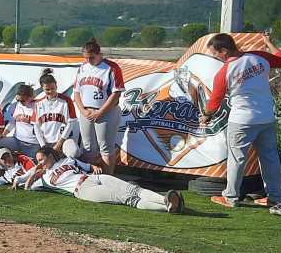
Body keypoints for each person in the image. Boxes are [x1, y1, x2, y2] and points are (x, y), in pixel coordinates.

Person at [198, 32, 281, 208]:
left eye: (215, 53)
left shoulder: (224, 72)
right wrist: (268, 43)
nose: (215, 57)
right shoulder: (259, 56)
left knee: (237, 159)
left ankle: (231, 197)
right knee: (270, 158)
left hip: (241, 121)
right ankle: (275, 197)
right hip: (266, 118)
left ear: (224, 50)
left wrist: (206, 116)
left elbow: (214, 101)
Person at [22, 145, 183, 214]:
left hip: (93, 178)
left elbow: (87, 167)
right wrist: (34, 173)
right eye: (38, 160)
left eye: (41, 159)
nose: (39, 162)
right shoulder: (45, 179)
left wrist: (94, 167)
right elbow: (28, 188)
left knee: (132, 189)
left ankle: (165, 199)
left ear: (50, 156)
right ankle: (167, 207)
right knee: (126, 198)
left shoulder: (67, 160)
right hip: (83, 190)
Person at [73, 38, 125, 175]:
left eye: (91, 57)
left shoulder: (111, 68)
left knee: (105, 147)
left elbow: (116, 94)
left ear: (99, 54)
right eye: (85, 57)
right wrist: (82, 110)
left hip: (106, 112)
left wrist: (100, 112)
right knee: (88, 147)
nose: (88, 60)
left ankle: (108, 178)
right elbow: (77, 92)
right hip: (86, 111)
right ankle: (92, 176)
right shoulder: (82, 68)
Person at [0, 84, 39, 158]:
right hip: (16, 140)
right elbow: (12, 122)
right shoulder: (17, 105)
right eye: (18, 100)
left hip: (32, 144)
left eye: (23, 100)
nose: (20, 102)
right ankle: (2, 167)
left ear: (31, 97)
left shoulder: (38, 106)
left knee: (32, 166)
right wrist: (4, 134)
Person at [34, 69, 77, 153]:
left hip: (64, 140)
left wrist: (59, 143)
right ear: (42, 88)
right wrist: (43, 146)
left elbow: (71, 122)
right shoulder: (38, 104)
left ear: (56, 85)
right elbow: (36, 127)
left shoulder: (66, 100)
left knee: (73, 151)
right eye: (47, 89)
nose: (50, 91)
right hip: (46, 143)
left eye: (52, 88)